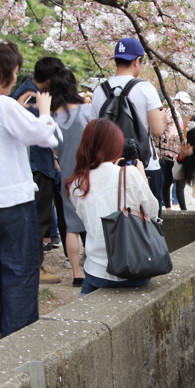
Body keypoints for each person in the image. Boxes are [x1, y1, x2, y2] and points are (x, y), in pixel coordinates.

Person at [0, 41, 62, 344]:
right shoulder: (2, 105)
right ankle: (18, 341)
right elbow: (45, 136)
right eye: (16, 71)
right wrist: (43, 111)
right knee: (19, 270)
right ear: (8, 73)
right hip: (12, 201)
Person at [66, 119, 159, 296]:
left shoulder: (77, 184)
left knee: (87, 293)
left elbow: (87, 219)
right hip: (135, 268)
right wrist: (143, 180)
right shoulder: (129, 174)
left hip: (97, 270)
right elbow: (153, 213)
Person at [90, 37, 166, 217]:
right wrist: (163, 118)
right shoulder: (146, 89)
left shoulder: (99, 91)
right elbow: (157, 131)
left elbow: (94, 131)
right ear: (136, 61)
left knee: (117, 221)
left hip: (110, 167)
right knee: (149, 220)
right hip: (143, 166)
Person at [12, 56, 65, 284]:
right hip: (36, 165)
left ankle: (34, 265)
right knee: (38, 218)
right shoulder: (31, 97)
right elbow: (40, 134)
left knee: (37, 217)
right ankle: (36, 267)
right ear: (52, 78)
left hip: (36, 163)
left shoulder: (25, 91)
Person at [48, 68, 93, 287]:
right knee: (92, 221)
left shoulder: (51, 117)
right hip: (90, 173)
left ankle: (76, 273)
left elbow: (51, 148)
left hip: (66, 175)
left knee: (71, 226)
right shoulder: (86, 111)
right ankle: (93, 266)